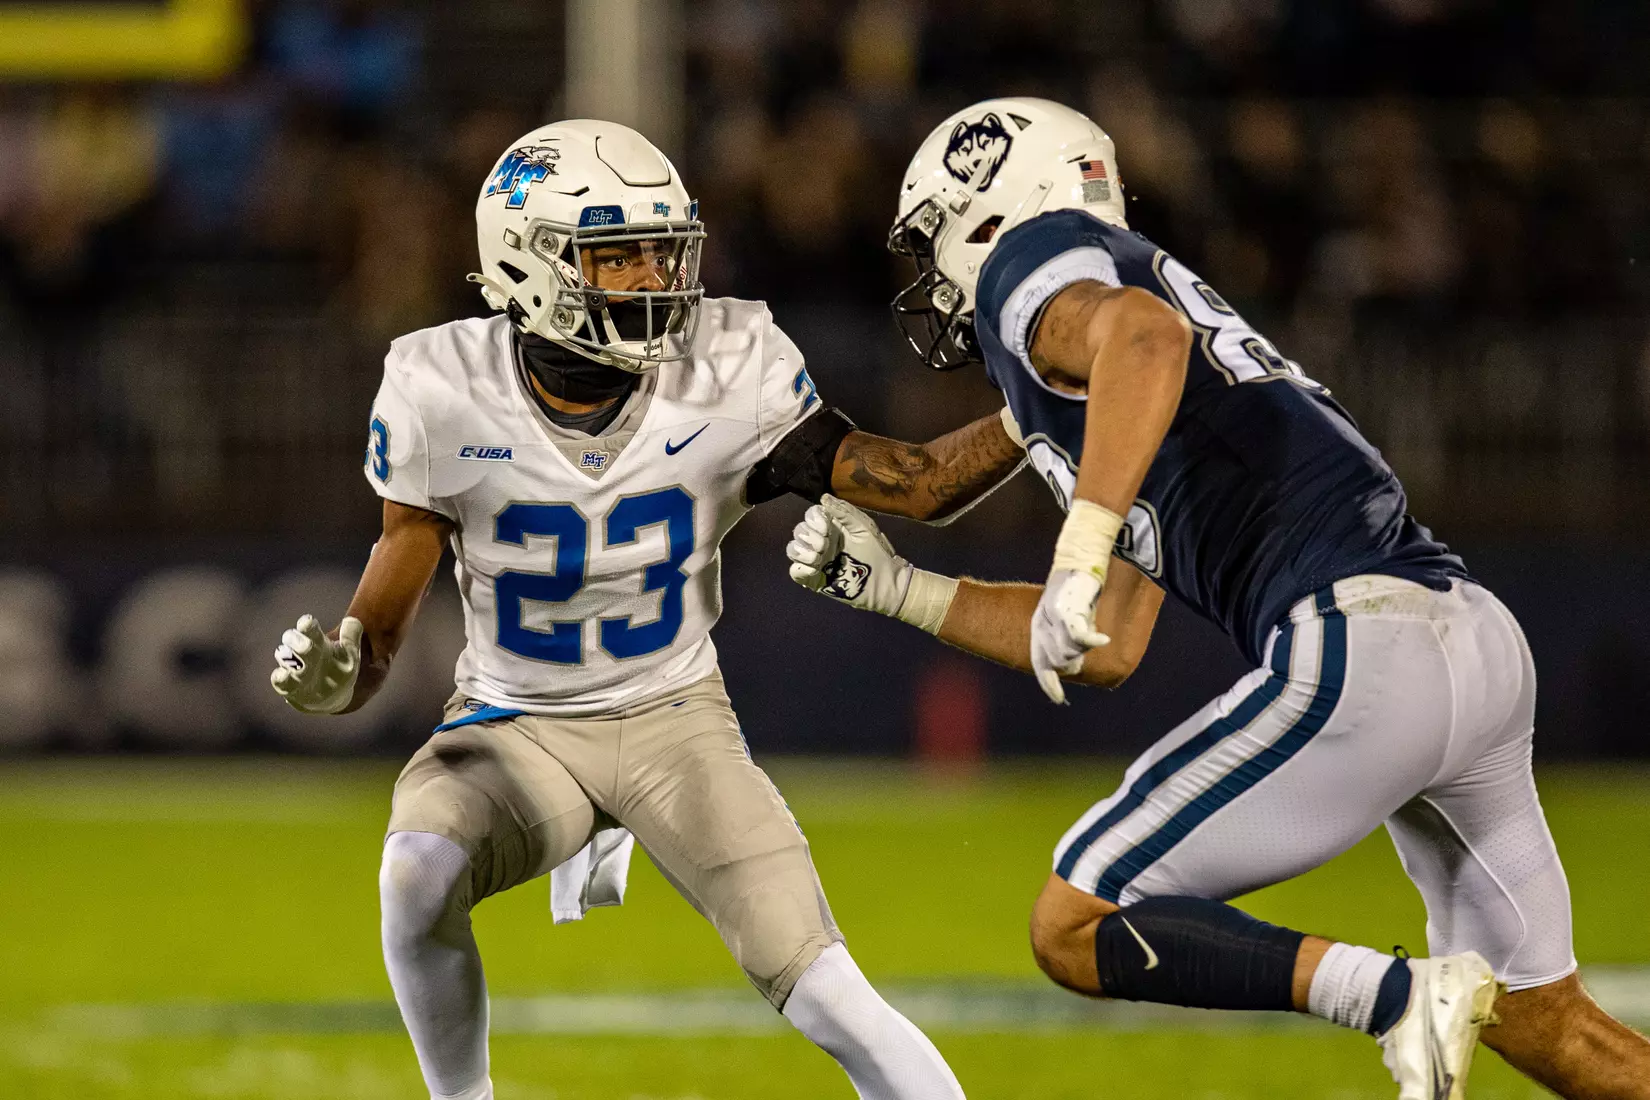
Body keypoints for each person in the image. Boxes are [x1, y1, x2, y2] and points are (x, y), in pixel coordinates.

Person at [785, 97, 1650, 1100]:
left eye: (936, 238)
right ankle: (1417, 994)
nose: (933, 277)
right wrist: (899, 588)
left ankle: (1396, 995)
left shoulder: (1041, 266)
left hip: (1364, 641)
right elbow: (1098, 638)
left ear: (991, 209)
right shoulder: (1118, 380)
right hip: (1466, 638)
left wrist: (1082, 534)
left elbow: (1142, 341)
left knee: (1074, 918)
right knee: (1547, 1019)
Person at [268, 119, 1025, 1100]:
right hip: (517, 725)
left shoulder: (729, 363)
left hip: (677, 724)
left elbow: (915, 482)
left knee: (831, 990)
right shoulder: (440, 387)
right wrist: (345, 672)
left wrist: (1035, 409)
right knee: (413, 872)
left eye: (662, 248)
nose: (654, 278)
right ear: (527, 263)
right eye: (615, 254)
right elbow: (384, 610)